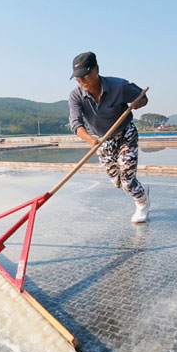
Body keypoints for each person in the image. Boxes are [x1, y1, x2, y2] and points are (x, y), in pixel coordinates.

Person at [68, 51, 150, 223]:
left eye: (85, 75)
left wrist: (138, 103)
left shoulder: (119, 86)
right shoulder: (76, 96)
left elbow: (143, 98)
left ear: (96, 70)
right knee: (117, 182)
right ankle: (136, 189)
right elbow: (76, 124)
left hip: (125, 134)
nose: (81, 81)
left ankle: (142, 201)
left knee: (127, 181)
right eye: (77, 77)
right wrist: (91, 140)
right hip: (101, 141)